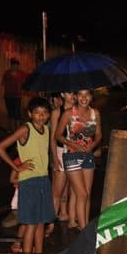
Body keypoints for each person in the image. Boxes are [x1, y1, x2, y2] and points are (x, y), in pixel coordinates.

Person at [0, 97, 55, 254]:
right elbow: (0, 148)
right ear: (30, 114)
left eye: (44, 113)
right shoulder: (25, 129)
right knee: (30, 225)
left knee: (40, 222)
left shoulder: (46, 129)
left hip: (43, 180)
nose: (41, 116)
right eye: (37, 113)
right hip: (29, 182)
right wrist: (17, 167)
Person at [55, 88, 101, 231]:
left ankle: (84, 225)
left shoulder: (95, 113)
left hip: (88, 155)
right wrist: (74, 145)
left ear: (91, 97)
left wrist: (93, 145)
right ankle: (84, 229)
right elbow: (58, 135)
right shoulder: (69, 113)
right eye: (80, 94)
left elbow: (99, 134)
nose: (84, 98)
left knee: (87, 194)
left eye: (87, 94)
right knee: (82, 194)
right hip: (72, 155)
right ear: (75, 97)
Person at [50, 91, 76, 229]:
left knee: (72, 188)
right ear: (62, 94)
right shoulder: (57, 112)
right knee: (57, 190)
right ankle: (50, 223)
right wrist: (55, 158)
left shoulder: (79, 110)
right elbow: (53, 138)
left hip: (75, 152)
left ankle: (68, 215)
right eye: (69, 93)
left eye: (74, 93)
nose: (73, 96)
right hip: (61, 151)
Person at [1, 58, 27, 130]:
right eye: (14, 65)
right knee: (10, 112)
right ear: (11, 65)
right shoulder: (7, 73)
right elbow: (3, 83)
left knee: (17, 112)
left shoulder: (21, 73)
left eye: (17, 65)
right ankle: (12, 129)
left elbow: (26, 81)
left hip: (17, 96)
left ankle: (17, 129)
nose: (15, 67)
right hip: (8, 96)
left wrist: (23, 91)